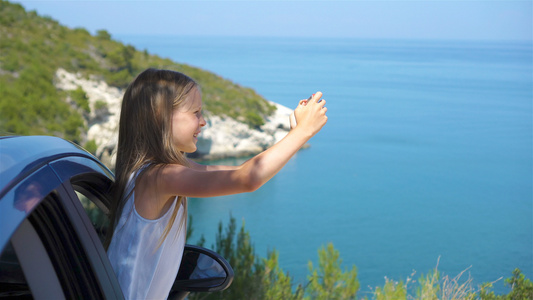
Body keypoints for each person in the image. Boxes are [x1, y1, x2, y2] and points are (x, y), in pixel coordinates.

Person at [105, 68, 327, 299]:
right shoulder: (158, 177)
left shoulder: (157, 172)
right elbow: (248, 178)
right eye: (196, 112)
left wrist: (292, 134)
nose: (204, 122)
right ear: (160, 115)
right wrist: (303, 133)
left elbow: (242, 172)